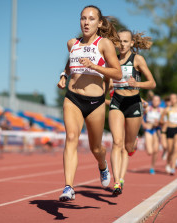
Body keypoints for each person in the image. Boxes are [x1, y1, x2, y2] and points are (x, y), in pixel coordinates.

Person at [57, 5, 122, 201]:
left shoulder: (104, 45)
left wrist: (94, 66)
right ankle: (69, 187)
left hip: (95, 101)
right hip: (73, 98)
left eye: (91, 19)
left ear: (99, 23)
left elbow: (117, 73)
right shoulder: (72, 43)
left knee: (96, 148)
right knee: (71, 138)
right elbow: (70, 62)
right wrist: (63, 75)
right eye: (83, 18)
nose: (86, 22)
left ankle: (102, 165)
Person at [109, 29, 156, 195]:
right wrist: (107, 87)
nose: (122, 44)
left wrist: (137, 84)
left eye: (125, 41)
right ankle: (117, 182)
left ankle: (133, 139)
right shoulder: (112, 60)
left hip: (134, 103)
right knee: (116, 142)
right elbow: (107, 82)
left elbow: (152, 83)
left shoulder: (137, 59)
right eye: (119, 41)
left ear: (131, 43)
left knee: (127, 147)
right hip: (117, 102)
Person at [160, 94, 177, 175]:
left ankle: (173, 167)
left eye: (174, 98)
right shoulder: (167, 109)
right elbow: (161, 120)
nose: (173, 100)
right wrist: (165, 122)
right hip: (169, 130)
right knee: (170, 150)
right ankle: (168, 163)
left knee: (176, 147)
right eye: (171, 99)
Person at [142, 95, 163, 174]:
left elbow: (164, 121)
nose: (155, 102)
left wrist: (159, 123)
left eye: (157, 100)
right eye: (154, 100)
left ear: (159, 102)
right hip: (148, 129)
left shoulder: (161, 110)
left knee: (156, 150)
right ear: (152, 101)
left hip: (156, 130)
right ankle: (146, 144)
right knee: (150, 152)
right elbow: (140, 115)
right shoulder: (148, 109)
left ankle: (152, 167)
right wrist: (143, 124)